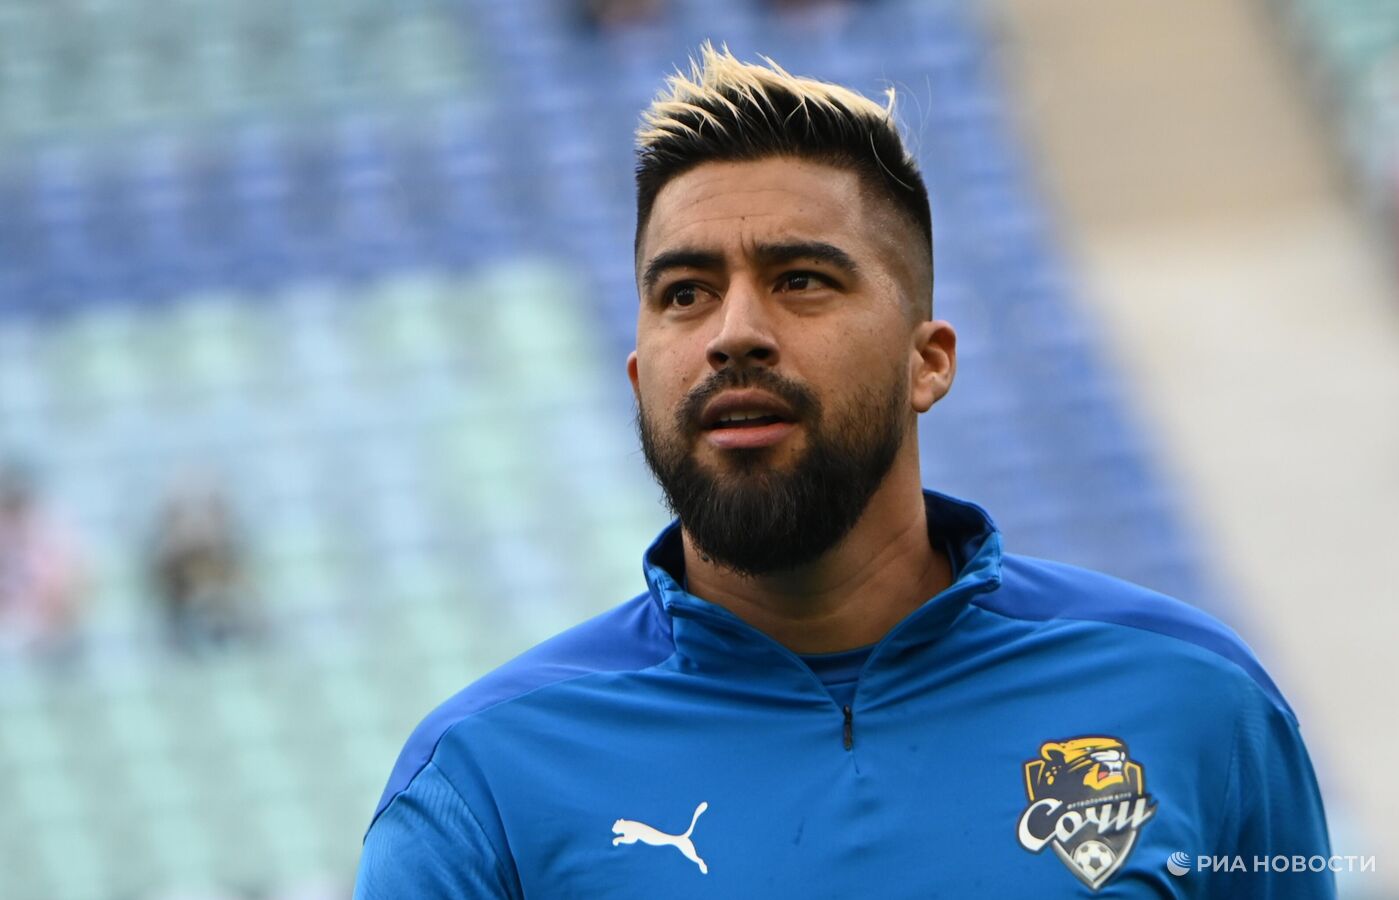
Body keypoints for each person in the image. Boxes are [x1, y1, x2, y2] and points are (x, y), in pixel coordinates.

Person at [355, 44, 1333, 897]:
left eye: (801, 280)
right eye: (685, 293)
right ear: (639, 375)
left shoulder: (1191, 699)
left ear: (927, 361)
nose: (735, 333)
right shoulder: (484, 782)